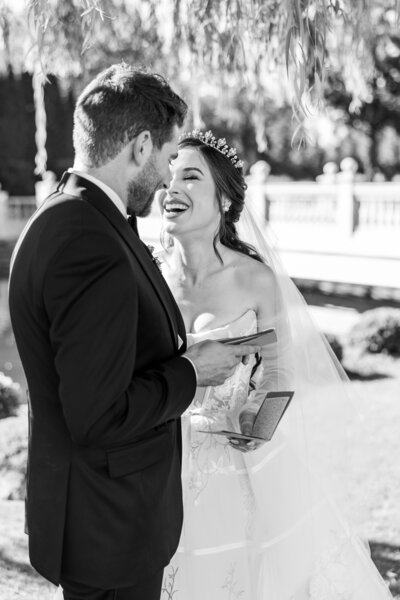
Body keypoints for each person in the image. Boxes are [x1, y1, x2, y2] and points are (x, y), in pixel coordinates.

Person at [8, 68, 260, 600]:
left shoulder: (70, 217)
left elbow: (98, 361)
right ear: (141, 145)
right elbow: (100, 414)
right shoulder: (88, 239)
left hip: (100, 518)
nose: (170, 177)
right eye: (171, 158)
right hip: (111, 526)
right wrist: (192, 372)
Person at [156, 130, 393, 599]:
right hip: (160, 462)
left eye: (191, 177)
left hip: (241, 468)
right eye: (168, 177)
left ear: (224, 201)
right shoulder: (151, 276)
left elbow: (280, 373)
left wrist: (257, 427)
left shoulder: (254, 281)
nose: (172, 189)